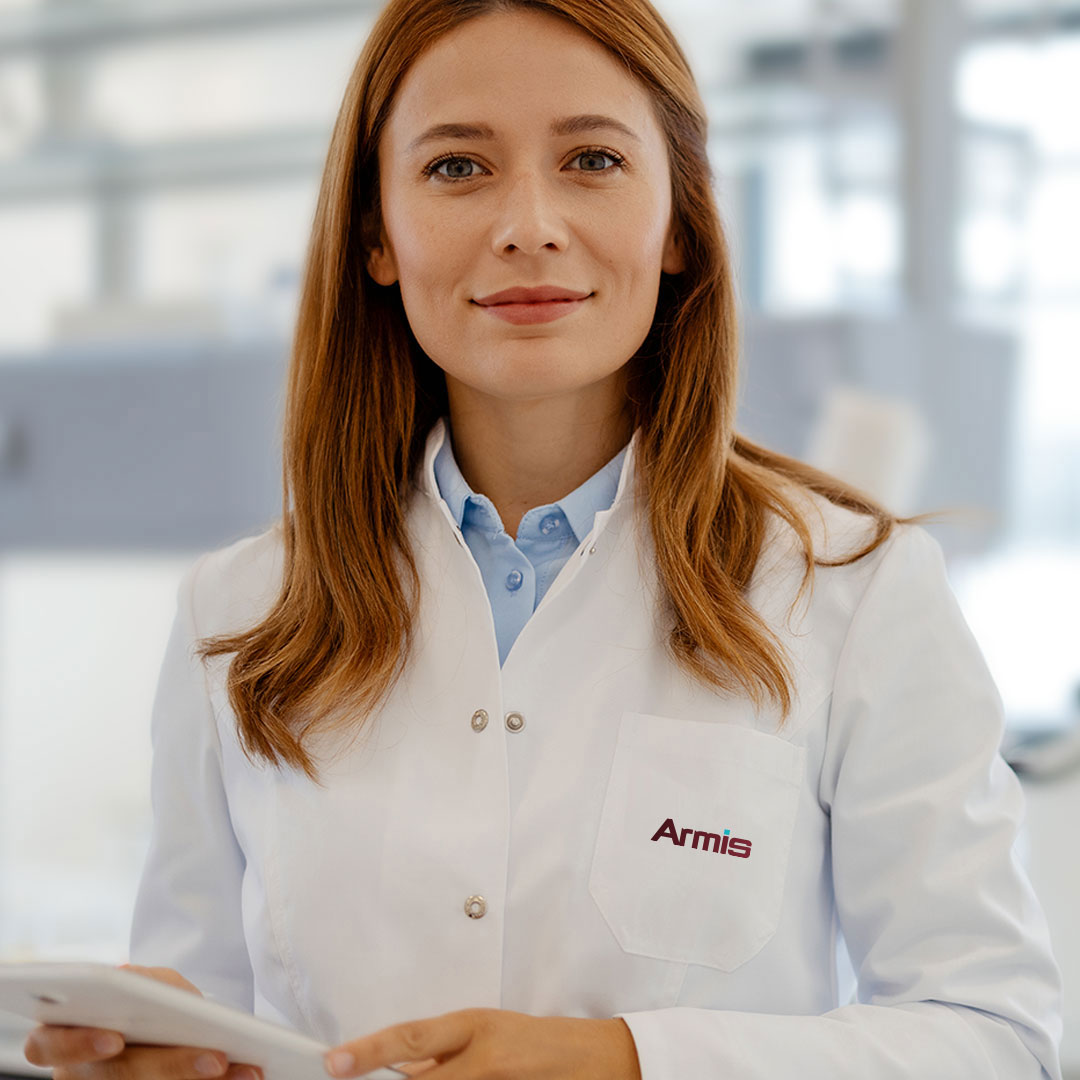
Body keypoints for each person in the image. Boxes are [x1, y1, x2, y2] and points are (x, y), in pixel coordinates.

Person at [25, 1, 1065, 1078]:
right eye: (457, 169)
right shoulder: (238, 614)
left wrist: (628, 1061)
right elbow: (204, 1015)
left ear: (678, 224)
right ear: (376, 233)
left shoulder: (856, 592)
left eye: (594, 159)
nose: (527, 222)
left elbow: (996, 1033)